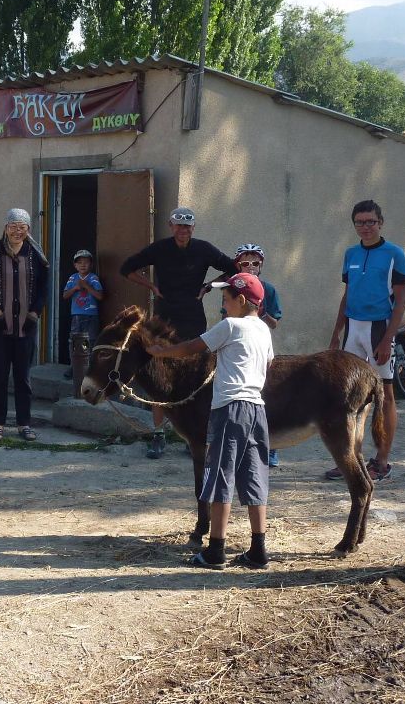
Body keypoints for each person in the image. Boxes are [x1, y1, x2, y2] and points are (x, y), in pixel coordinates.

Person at [146, 273, 275, 570]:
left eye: (226, 300)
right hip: (256, 408)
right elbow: (268, 363)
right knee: (254, 476)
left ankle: (216, 549)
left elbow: (193, 347)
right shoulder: (263, 330)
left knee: (220, 476)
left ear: (242, 300)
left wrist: (160, 352)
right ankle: (258, 549)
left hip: (229, 408)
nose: (223, 306)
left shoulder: (230, 325)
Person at [120, 207, 237, 458]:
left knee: (194, 376)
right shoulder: (159, 249)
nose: (183, 230)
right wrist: (151, 285)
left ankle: (191, 434)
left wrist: (208, 286)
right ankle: (159, 434)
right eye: (178, 226)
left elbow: (233, 268)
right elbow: (127, 268)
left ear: (193, 228)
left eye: (187, 226)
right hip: (164, 318)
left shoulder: (204, 249)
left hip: (193, 317)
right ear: (170, 226)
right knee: (160, 376)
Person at [326, 199, 405, 482]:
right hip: (353, 329)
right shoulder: (350, 253)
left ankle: (382, 461)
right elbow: (347, 294)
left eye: (370, 222)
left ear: (380, 222)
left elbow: (400, 302)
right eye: (359, 222)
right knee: (351, 397)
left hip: (379, 329)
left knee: (384, 395)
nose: (365, 227)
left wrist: (388, 339)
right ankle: (351, 458)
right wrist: (336, 333)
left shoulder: (394, 254)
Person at [0, 208, 50, 442]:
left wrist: (36, 312)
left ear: (28, 230)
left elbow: (44, 287)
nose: (18, 231)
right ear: (5, 228)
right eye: (13, 226)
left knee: (23, 377)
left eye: (22, 227)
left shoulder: (35, 254)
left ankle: (24, 424)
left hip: (26, 326)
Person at [234, 243, 283, 467]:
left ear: (261, 265)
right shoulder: (233, 288)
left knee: (265, 398)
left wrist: (261, 314)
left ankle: (271, 447)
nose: (251, 267)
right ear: (238, 265)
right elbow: (228, 318)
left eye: (255, 263)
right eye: (246, 263)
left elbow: (274, 323)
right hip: (238, 350)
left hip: (260, 349)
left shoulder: (269, 289)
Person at [62, 249, 103, 377]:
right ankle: (74, 367)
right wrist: (75, 288)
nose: (83, 265)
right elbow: (65, 295)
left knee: (90, 341)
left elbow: (100, 296)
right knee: (75, 341)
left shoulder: (93, 278)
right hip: (77, 315)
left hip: (91, 316)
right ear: (75, 265)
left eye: (86, 262)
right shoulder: (72, 278)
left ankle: (89, 368)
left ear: (90, 264)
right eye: (79, 263)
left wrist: (87, 286)